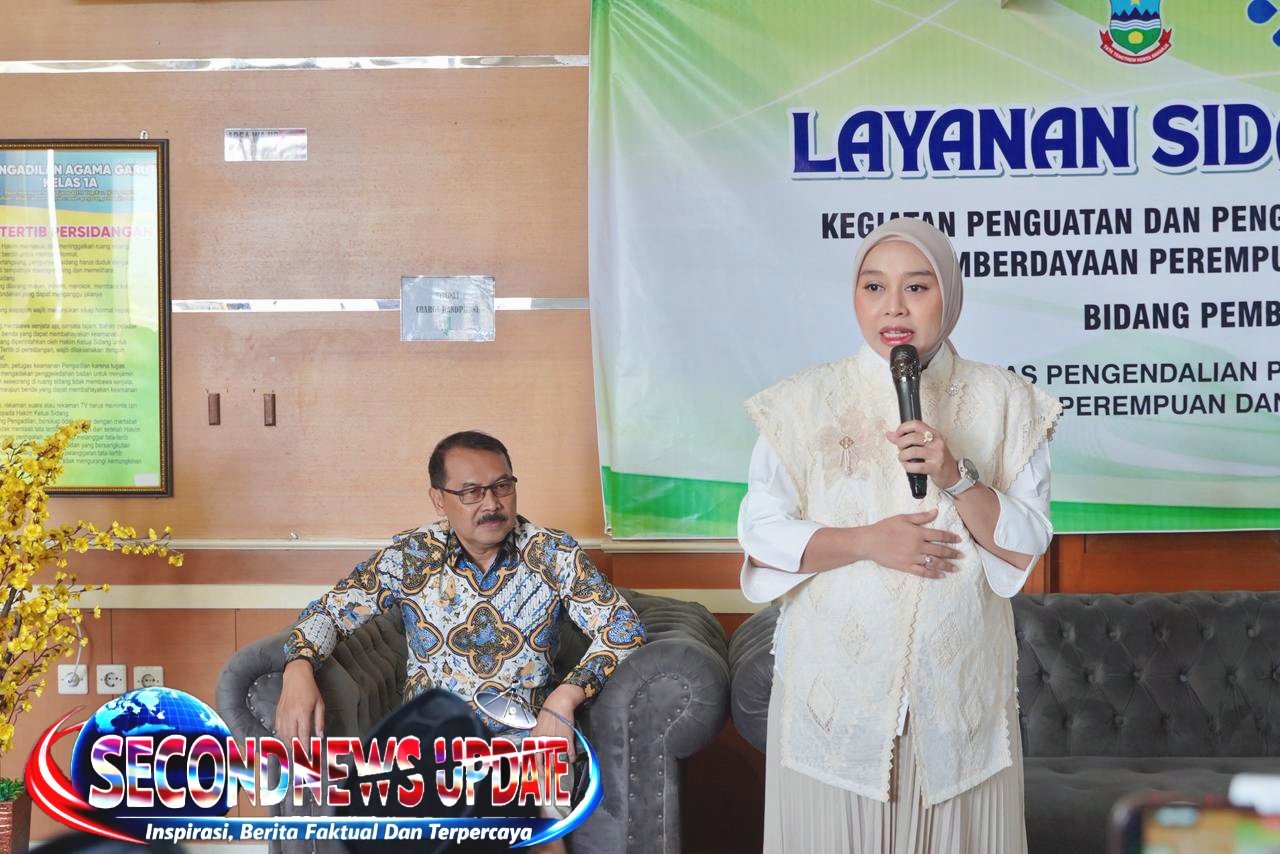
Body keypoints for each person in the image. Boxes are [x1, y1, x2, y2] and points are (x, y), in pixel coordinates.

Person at [738, 217, 1061, 853]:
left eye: (916, 287)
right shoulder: (801, 402)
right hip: (835, 700)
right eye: (873, 287)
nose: (893, 307)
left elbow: (1027, 541)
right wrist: (867, 541)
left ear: (949, 295)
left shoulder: (1010, 402)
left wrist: (957, 477)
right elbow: (760, 531)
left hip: (960, 701)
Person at [275, 430, 646, 849]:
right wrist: (298, 667)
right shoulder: (413, 556)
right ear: (439, 499)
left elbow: (623, 628)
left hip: (524, 742)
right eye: (471, 492)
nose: (492, 504)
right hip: (430, 746)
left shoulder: (552, 553)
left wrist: (564, 699)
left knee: (522, 806)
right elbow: (327, 612)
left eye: (502, 486)